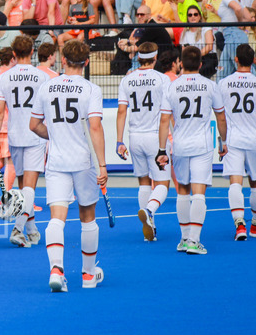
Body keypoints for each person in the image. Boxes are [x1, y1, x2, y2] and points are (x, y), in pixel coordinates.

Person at [29, 39, 107, 292]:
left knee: (57, 217)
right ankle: (88, 275)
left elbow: (34, 125)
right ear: (86, 62)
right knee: (88, 218)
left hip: (57, 160)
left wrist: (54, 135)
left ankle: (56, 270)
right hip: (84, 161)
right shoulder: (91, 89)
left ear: (63, 60)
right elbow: (95, 127)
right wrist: (103, 165)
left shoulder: (47, 86)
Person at [157, 46, 228, 256]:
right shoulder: (210, 86)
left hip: (180, 144)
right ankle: (194, 241)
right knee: (198, 193)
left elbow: (164, 120)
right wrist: (224, 141)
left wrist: (161, 149)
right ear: (200, 64)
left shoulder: (172, 86)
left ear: (180, 63)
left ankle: (184, 238)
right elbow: (221, 117)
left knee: (182, 191)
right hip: (202, 145)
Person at [0, 35, 52, 247]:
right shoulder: (42, 77)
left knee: (23, 186)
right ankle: (18, 230)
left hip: (15, 135)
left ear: (14, 54)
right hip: (35, 135)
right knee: (29, 188)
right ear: (32, 52)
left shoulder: (4, 77)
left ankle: (31, 230)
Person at [218, 43, 256, 242]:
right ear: (253, 61)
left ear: (236, 59)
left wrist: (222, 141)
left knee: (235, 182)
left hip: (233, 140)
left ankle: (239, 225)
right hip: (253, 140)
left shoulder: (224, 83)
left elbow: (220, 116)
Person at [114, 43, 172, 242]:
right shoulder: (162, 79)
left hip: (134, 136)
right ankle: (149, 210)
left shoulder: (127, 80)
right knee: (163, 183)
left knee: (143, 182)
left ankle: (149, 226)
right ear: (155, 58)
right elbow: (167, 113)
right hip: (155, 136)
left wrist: (119, 140)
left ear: (138, 58)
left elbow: (122, 111)